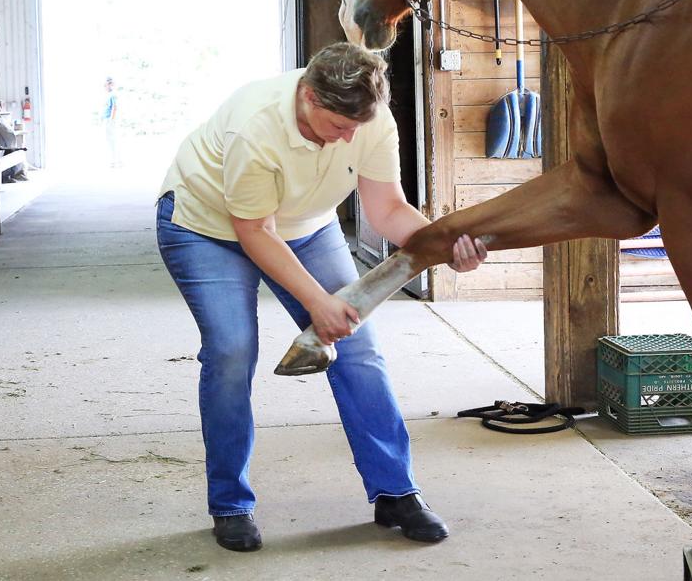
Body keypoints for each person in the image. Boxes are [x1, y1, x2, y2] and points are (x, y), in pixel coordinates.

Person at [156, 42, 487, 552]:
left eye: (358, 127)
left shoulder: (366, 117)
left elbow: (388, 208)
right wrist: (317, 302)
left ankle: (395, 492)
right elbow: (255, 231)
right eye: (338, 126)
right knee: (231, 351)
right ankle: (230, 503)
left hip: (305, 224)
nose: (349, 139)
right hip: (208, 227)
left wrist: (442, 244)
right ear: (308, 97)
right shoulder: (257, 125)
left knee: (358, 349)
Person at [101, 76, 120, 168]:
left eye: (108, 84)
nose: (106, 86)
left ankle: (114, 160)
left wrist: (111, 119)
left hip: (109, 119)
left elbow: (114, 108)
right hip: (106, 119)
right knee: (109, 139)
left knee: (111, 140)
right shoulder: (108, 95)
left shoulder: (113, 95)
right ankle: (113, 159)